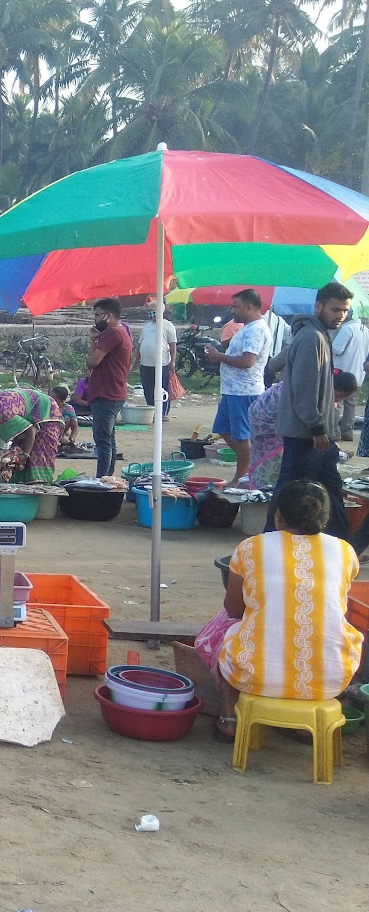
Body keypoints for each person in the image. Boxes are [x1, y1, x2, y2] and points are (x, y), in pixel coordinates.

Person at [196, 479, 363, 740]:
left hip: (256, 675)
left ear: (278, 517)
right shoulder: (345, 552)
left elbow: (233, 609)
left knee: (224, 628)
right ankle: (306, 722)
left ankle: (229, 719)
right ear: (324, 519)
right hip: (331, 678)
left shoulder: (251, 547)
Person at [268, 282, 354, 538]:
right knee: (291, 490)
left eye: (344, 310)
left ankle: (343, 544)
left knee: (331, 489)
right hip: (307, 433)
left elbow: (278, 365)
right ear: (318, 307)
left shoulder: (316, 335)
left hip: (316, 432)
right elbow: (304, 388)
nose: (340, 315)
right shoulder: (311, 338)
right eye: (335, 309)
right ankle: (271, 537)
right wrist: (317, 427)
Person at [248, 372, 357, 492]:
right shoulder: (311, 391)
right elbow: (307, 418)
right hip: (268, 421)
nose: (339, 400)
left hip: (280, 418)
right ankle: (267, 493)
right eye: (339, 396)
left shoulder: (321, 389)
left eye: (343, 398)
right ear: (331, 386)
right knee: (275, 462)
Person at [205, 288, 270, 486]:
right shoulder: (248, 327)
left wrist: (219, 357)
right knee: (222, 429)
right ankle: (249, 461)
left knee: (242, 436)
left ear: (250, 307)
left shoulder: (256, 329)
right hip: (232, 390)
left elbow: (248, 361)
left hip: (244, 391)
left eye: (236, 307)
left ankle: (242, 477)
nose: (232, 311)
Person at [0, 387, 64, 483]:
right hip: (30, 419)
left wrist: (26, 454)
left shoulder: (3, 411)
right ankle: (19, 488)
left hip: (47, 416)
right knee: (14, 461)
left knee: (37, 459)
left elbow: (31, 430)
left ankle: (39, 494)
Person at [85, 297, 133, 478]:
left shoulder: (113, 333)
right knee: (108, 440)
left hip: (107, 393)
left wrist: (93, 344)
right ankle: (107, 478)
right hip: (113, 392)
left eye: (98, 315)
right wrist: (95, 341)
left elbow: (93, 361)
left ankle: (101, 480)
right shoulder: (121, 332)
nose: (95, 319)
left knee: (103, 442)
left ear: (109, 316)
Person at [135, 301, 177, 419]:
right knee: (147, 388)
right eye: (149, 311)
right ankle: (151, 410)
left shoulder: (168, 326)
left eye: (152, 311)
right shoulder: (146, 327)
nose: (150, 313)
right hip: (145, 364)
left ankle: (162, 413)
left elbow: (173, 345)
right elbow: (140, 345)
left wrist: (172, 361)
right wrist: (136, 362)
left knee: (162, 388)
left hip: (162, 364)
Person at [331, 312, 369, 440]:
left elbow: (336, 349)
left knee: (337, 404)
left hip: (343, 373)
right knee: (351, 406)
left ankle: (335, 433)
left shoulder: (347, 329)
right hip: (359, 373)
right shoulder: (366, 330)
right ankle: (347, 432)